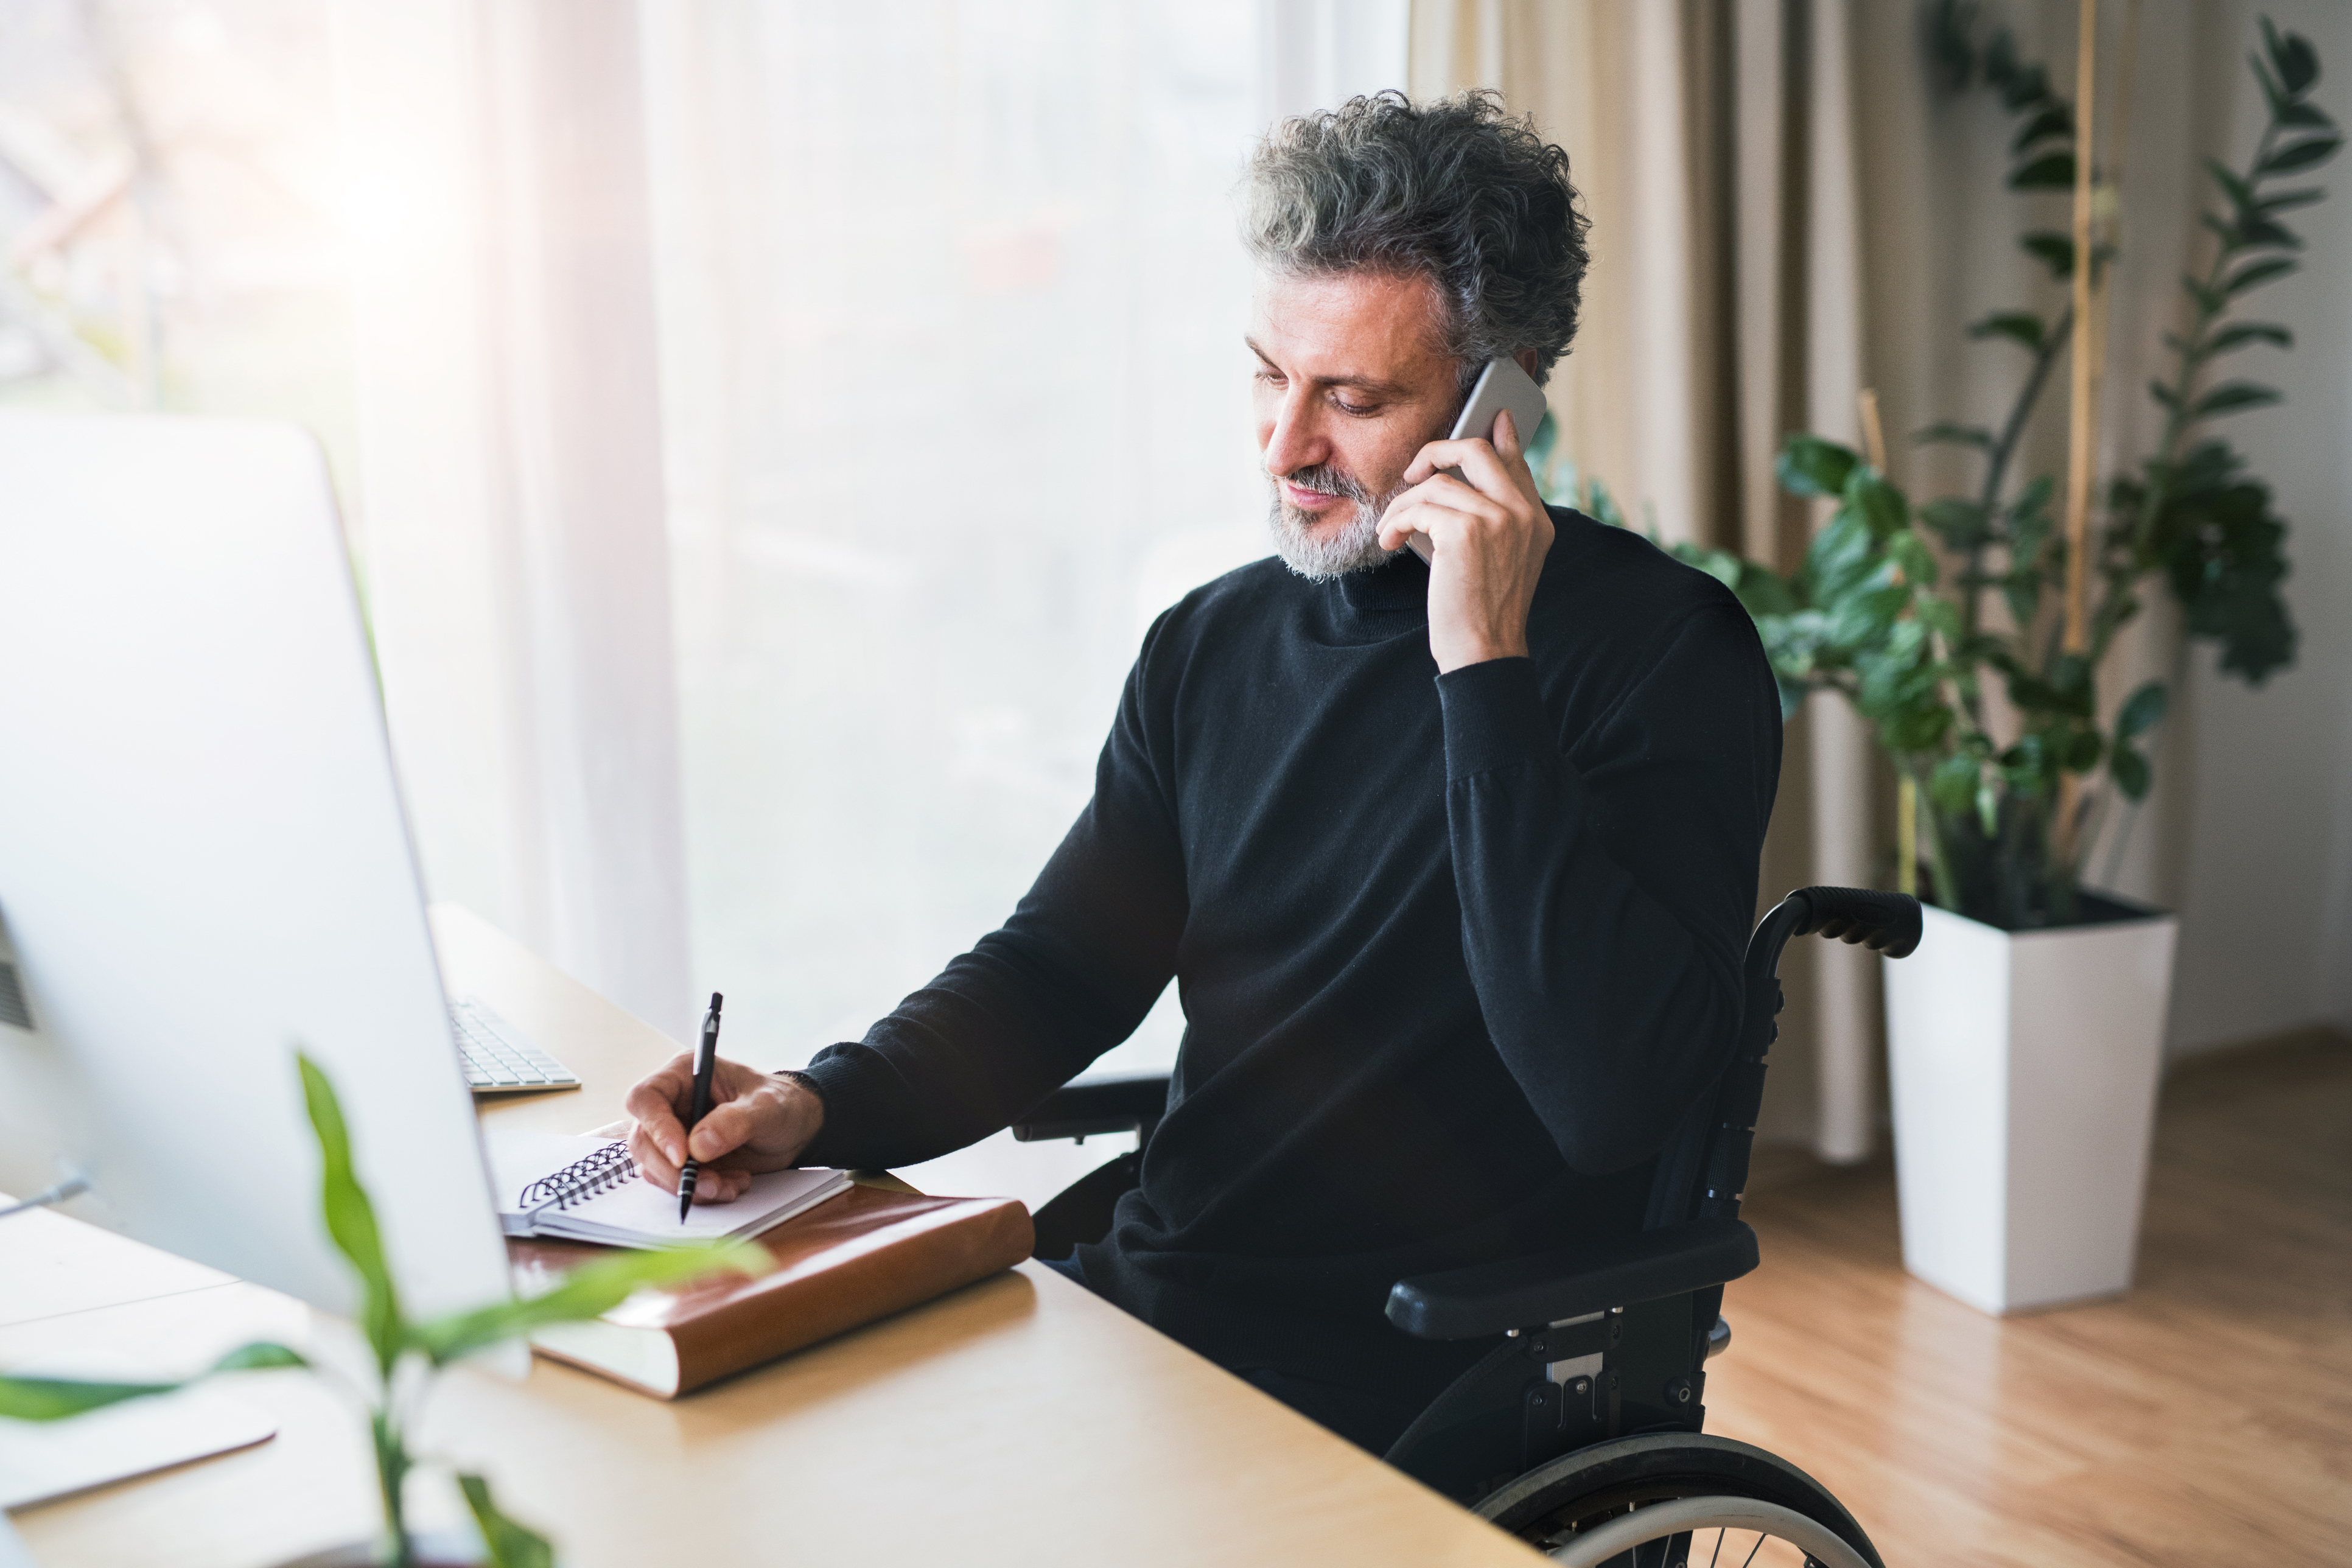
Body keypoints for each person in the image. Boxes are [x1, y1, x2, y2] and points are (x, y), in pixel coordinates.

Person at [623, 90, 1780, 1455]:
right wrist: (816, 1105)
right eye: (1266, 374)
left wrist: (1483, 672)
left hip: (1425, 1370)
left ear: (1502, 398)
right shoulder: (1212, 643)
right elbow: (1059, 969)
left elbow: (1607, 1101)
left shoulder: (1663, 657)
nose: (1284, 446)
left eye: (1351, 398)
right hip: (1156, 1307)